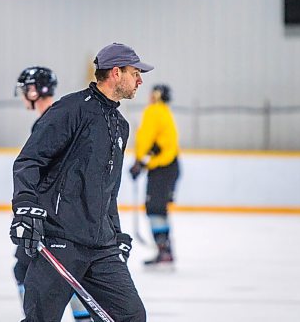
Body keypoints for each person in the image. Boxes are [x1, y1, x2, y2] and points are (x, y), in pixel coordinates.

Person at [9, 43, 152, 322]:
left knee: (132, 316)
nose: (140, 80)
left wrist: (117, 233)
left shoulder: (120, 125)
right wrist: (25, 206)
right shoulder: (71, 109)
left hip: (102, 248)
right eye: (134, 72)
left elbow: (107, 192)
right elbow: (30, 160)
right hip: (61, 241)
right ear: (115, 73)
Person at [13, 66, 93, 322]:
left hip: (51, 217)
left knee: (28, 271)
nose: (24, 94)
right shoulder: (60, 116)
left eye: (26, 89)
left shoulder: (50, 120)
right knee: (64, 274)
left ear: (35, 90)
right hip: (64, 214)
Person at [129, 84, 180, 267]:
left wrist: (140, 163)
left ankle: (164, 250)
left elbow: (149, 140)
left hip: (162, 168)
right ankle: (165, 250)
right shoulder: (165, 112)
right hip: (168, 167)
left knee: (155, 209)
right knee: (159, 209)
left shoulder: (154, 111)